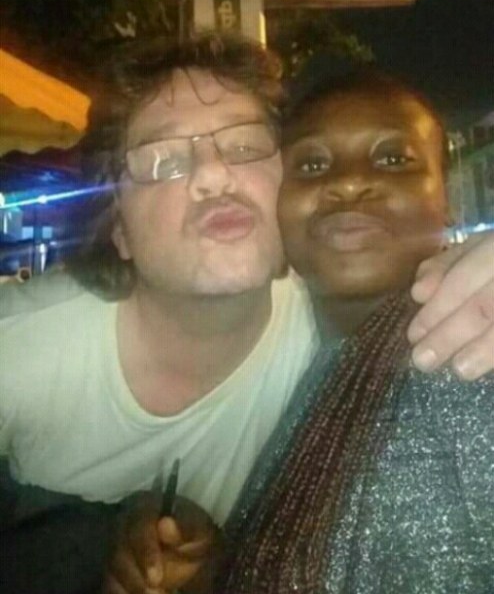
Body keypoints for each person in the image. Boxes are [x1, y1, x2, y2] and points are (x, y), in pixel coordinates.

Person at [0, 36, 492, 594]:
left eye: (243, 146)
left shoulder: (342, 328)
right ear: (119, 231)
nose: (214, 175)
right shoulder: (19, 346)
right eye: (164, 160)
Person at [220, 66, 493, 593]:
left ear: (447, 199)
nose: (347, 182)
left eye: (393, 159)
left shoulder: (471, 366)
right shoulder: (294, 359)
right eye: (312, 164)